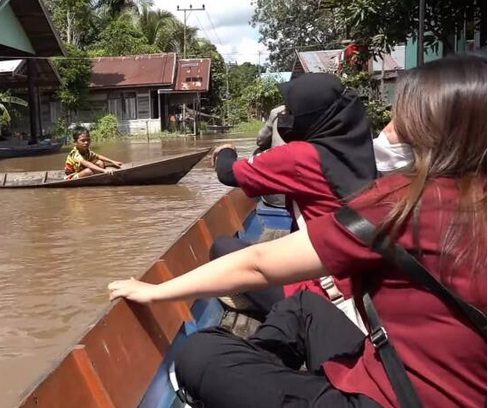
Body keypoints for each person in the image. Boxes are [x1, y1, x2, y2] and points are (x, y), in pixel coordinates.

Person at [108, 53, 487, 408]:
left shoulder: (401, 201)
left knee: (199, 353)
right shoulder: (382, 162)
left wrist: (156, 291)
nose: (387, 130)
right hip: (386, 348)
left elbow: (254, 255)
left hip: (389, 390)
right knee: (302, 308)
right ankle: (269, 370)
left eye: (400, 123)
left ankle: (259, 373)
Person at [209, 73, 378, 314]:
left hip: (329, 293)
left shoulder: (301, 157)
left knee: (222, 248)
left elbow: (227, 173)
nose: (286, 117)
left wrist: (225, 150)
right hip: (358, 275)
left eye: (291, 111)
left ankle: (281, 313)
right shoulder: (358, 143)